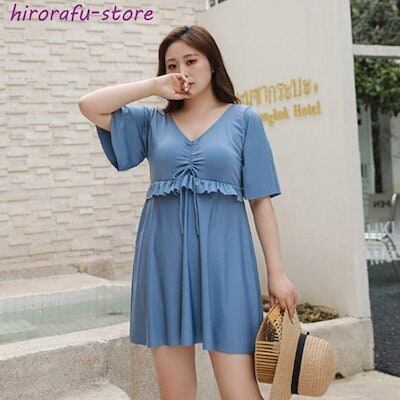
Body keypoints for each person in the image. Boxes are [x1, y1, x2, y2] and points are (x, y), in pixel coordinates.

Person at [79, 24, 297, 400]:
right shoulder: (152, 123)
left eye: (191, 61)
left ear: (212, 64)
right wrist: (153, 87)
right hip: (163, 265)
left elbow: (261, 201)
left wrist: (277, 274)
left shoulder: (244, 120)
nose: (182, 71)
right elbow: (89, 105)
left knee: (240, 392)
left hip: (227, 266)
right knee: (176, 394)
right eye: (172, 65)